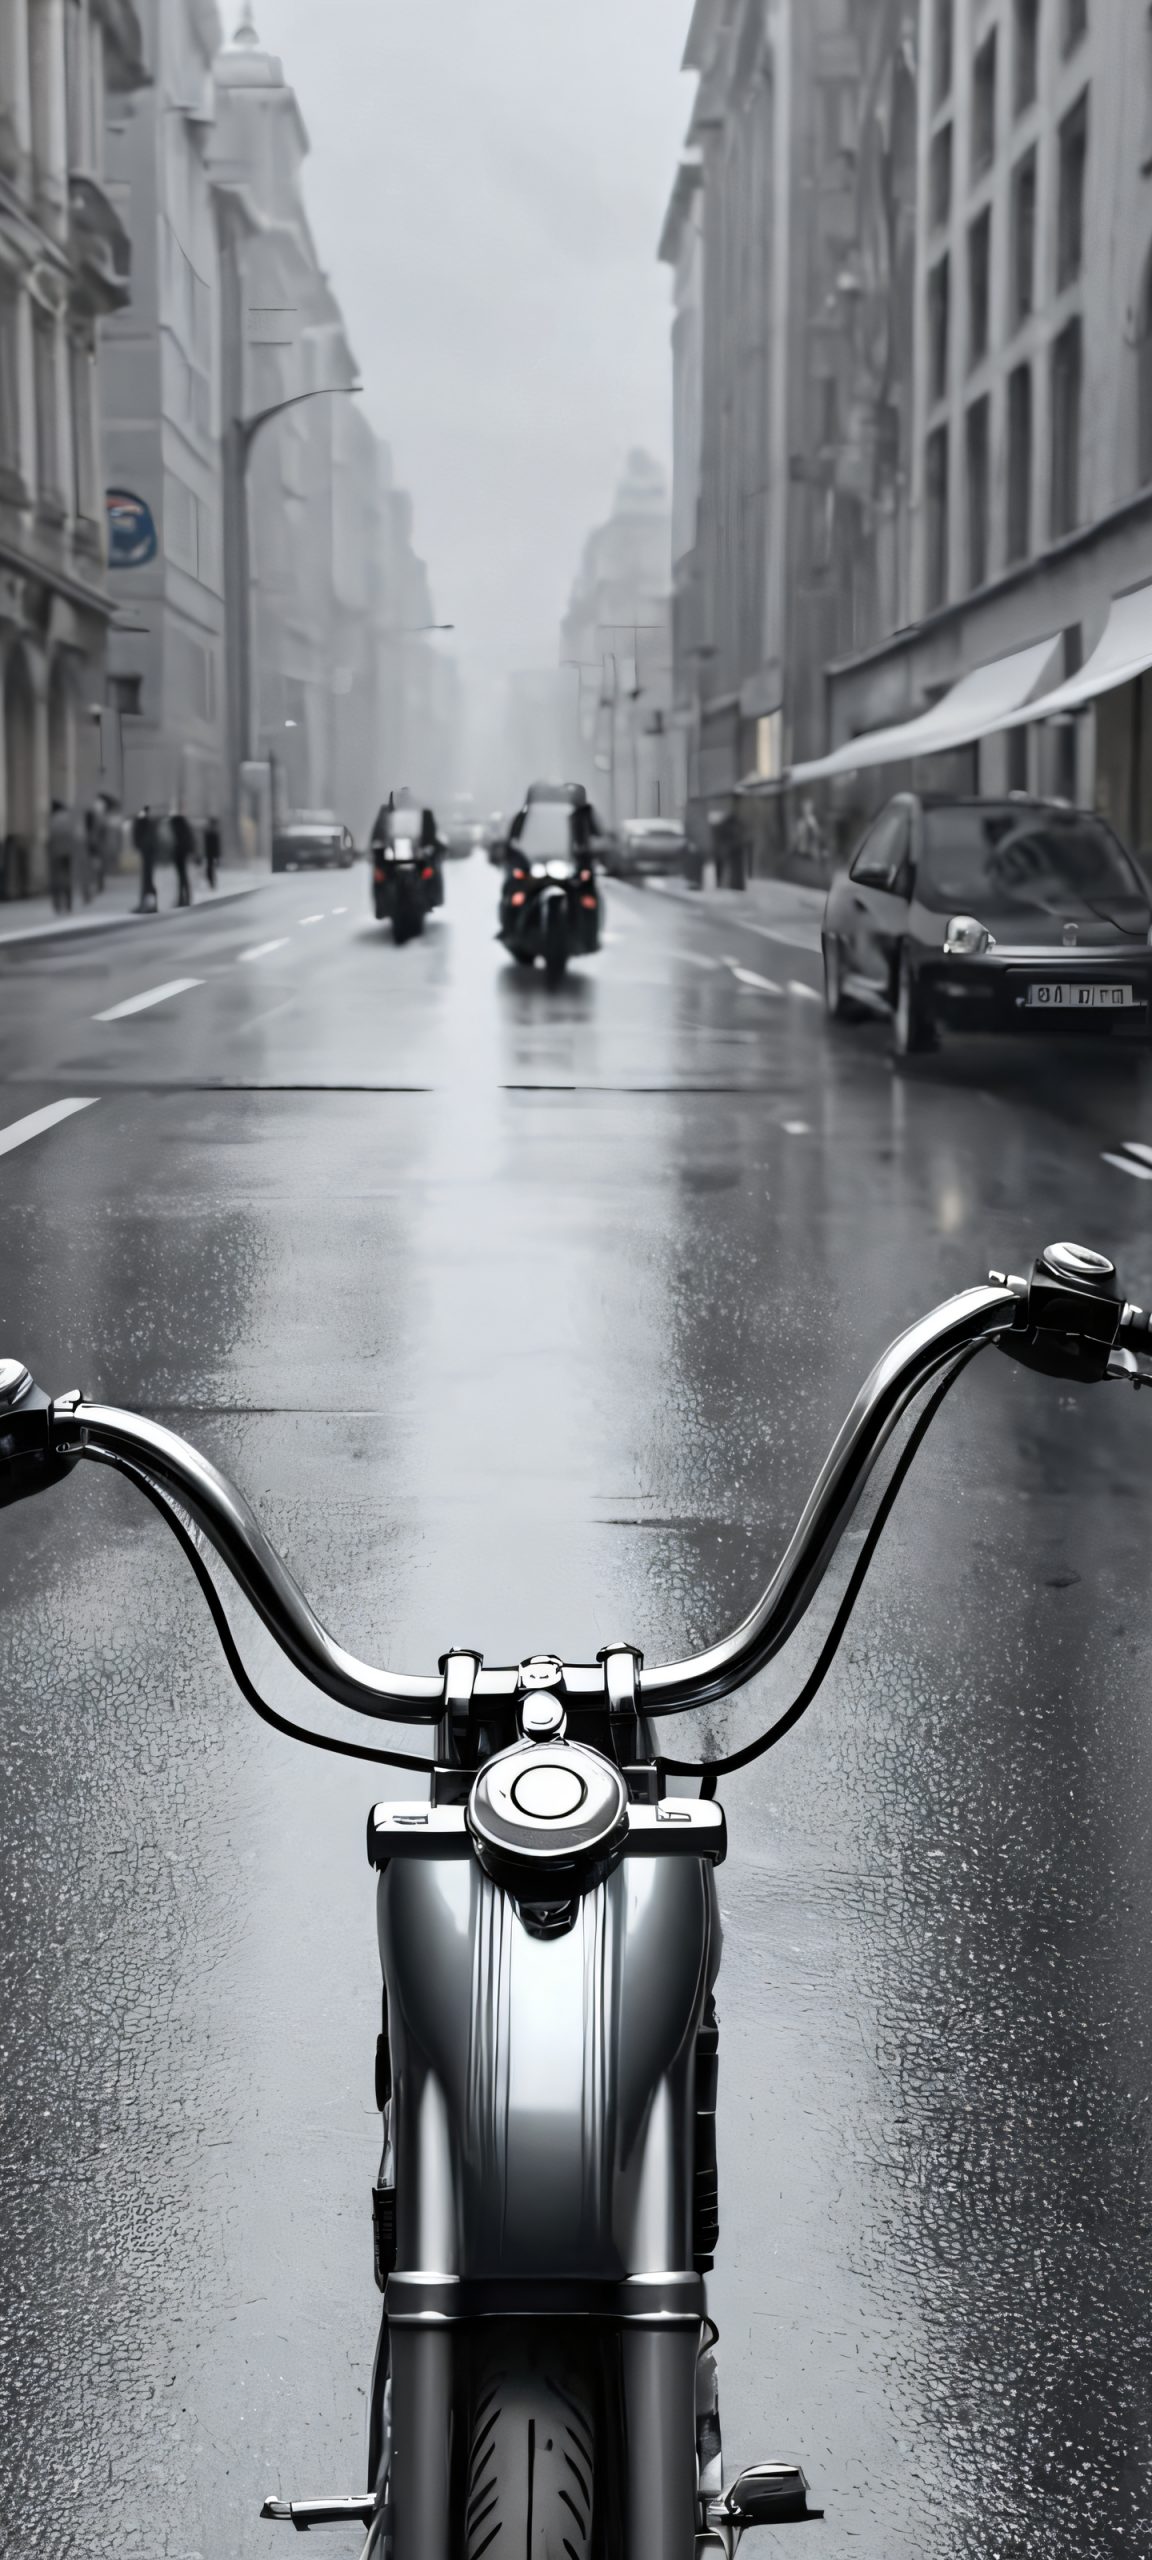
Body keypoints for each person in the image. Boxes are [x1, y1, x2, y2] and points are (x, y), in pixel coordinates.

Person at [47, 800, 75, 913]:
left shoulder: (53, 820)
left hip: (56, 853)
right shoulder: (69, 818)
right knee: (68, 878)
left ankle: (57, 904)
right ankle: (68, 903)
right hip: (68, 852)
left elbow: (50, 838)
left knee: (56, 879)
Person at [133, 804, 158, 913]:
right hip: (149, 851)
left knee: (148, 880)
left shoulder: (144, 820)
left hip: (148, 851)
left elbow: (139, 834)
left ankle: (148, 904)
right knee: (148, 880)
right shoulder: (151, 821)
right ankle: (150, 904)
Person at [170, 808, 195, 907]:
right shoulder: (184, 826)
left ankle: (183, 898)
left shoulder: (176, 826)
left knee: (181, 877)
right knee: (183, 876)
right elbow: (189, 841)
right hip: (182, 853)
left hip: (179, 853)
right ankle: (186, 897)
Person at [202, 813, 221, 890]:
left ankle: (212, 882)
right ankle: (211, 882)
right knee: (210, 868)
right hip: (210, 853)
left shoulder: (212, 833)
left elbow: (216, 845)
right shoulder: (211, 833)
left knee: (210, 868)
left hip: (211, 853)